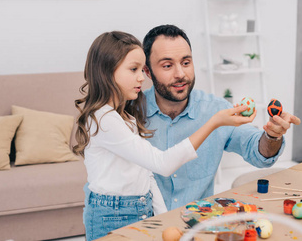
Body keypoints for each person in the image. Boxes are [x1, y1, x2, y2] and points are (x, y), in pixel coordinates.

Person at [74, 31, 256, 240]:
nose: (141, 77)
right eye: (133, 69)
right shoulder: (105, 120)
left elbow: (147, 173)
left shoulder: (125, 116)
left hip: (139, 209)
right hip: (111, 216)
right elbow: (161, 164)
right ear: (107, 72)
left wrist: (164, 219)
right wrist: (214, 122)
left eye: (141, 70)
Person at [142, 24, 302, 210]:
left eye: (186, 63)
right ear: (147, 72)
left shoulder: (215, 109)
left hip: (197, 223)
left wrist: (272, 135)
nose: (180, 74)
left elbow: (258, 152)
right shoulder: (129, 113)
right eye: (167, 66)